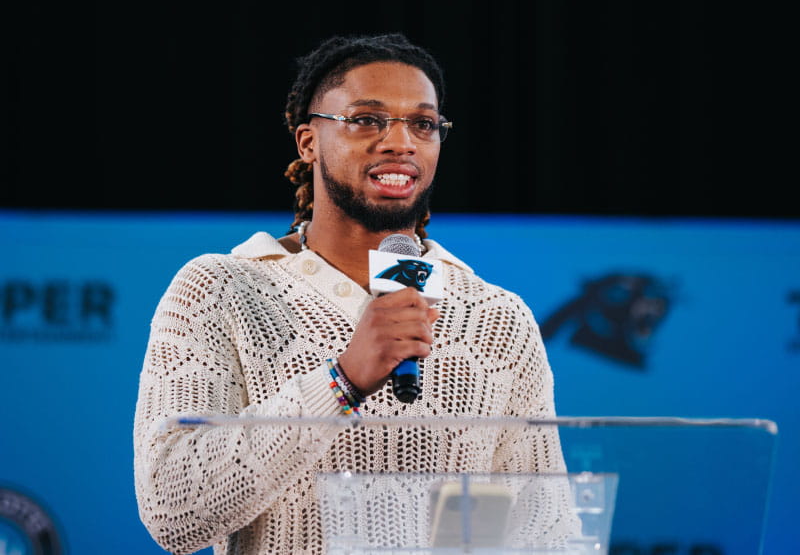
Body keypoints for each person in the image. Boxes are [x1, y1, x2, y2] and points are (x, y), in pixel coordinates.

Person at [134, 33, 577, 555]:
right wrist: (341, 381)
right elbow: (171, 513)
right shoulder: (221, 288)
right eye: (367, 119)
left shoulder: (497, 317)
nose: (400, 142)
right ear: (308, 142)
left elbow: (545, 533)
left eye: (423, 124)